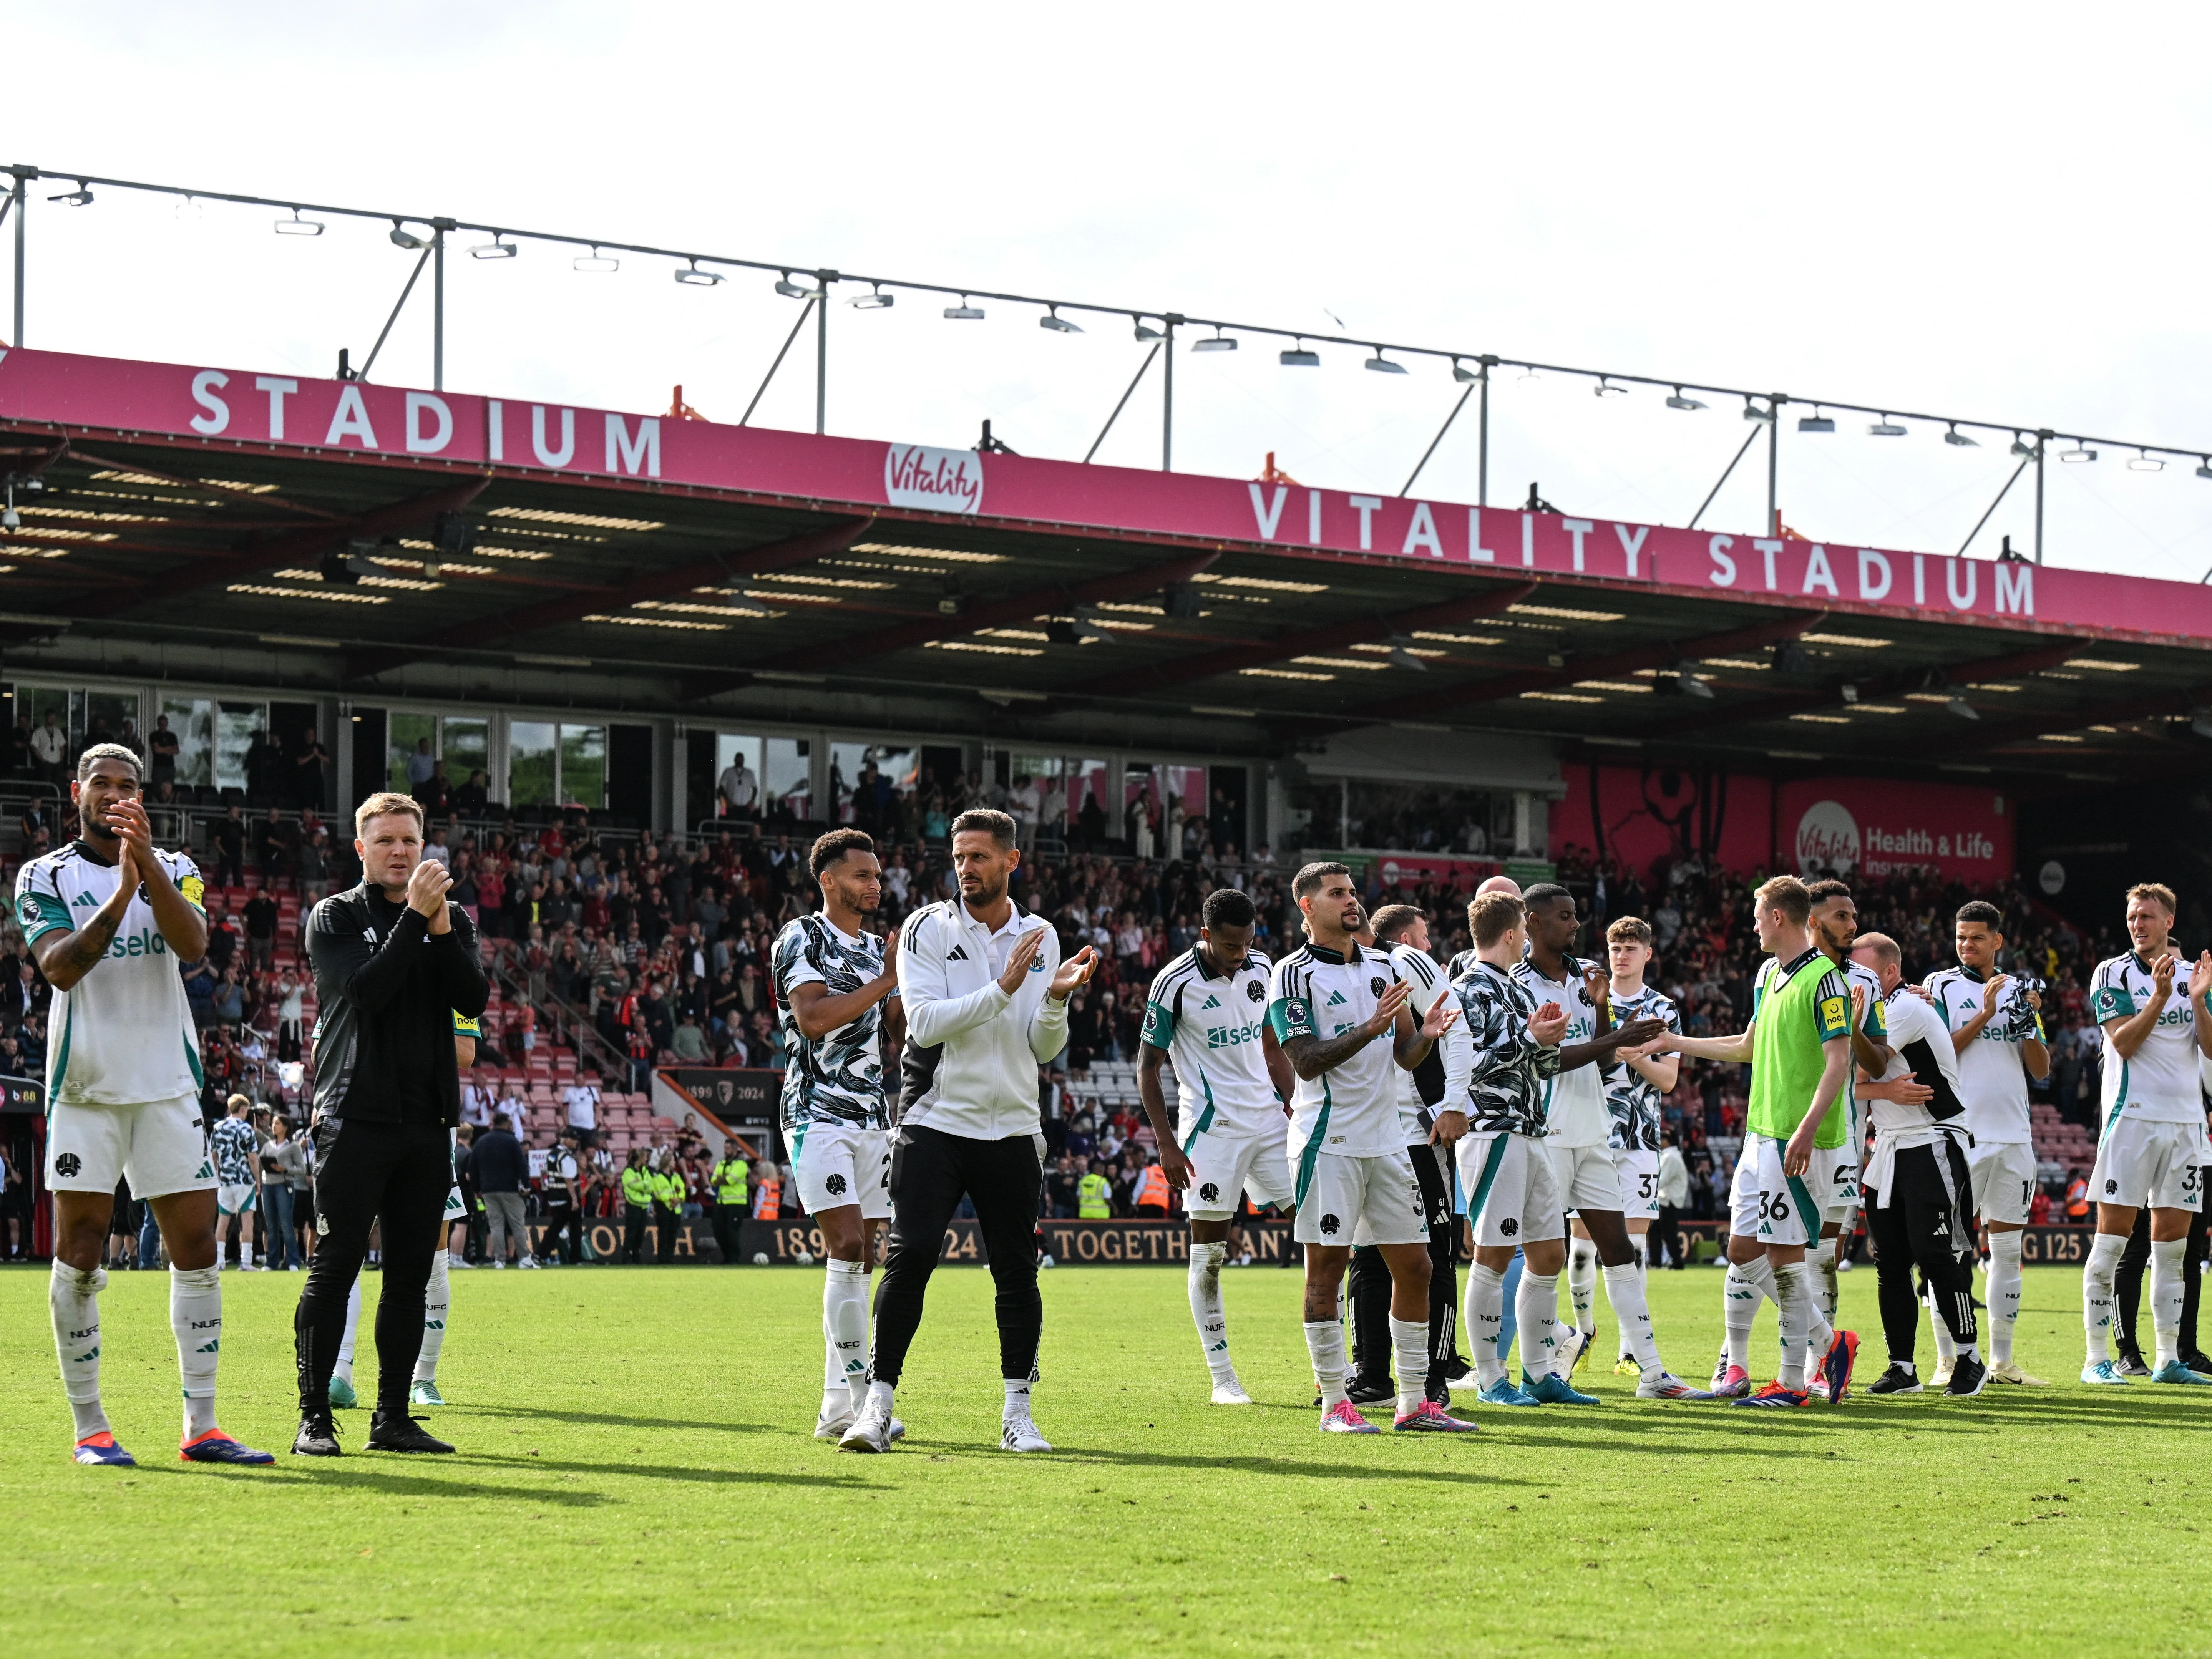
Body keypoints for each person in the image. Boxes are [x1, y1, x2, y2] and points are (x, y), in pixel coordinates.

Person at [15, 742, 271, 1466]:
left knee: (196, 1251)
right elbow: (61, 968)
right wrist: (122, 893)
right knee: (82, 1253)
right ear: (77, 792)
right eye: (103, 783)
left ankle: (203, 1425)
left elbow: (192, 947)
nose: (115, 794)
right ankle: (91, 1427)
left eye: (128, 785)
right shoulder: (44, 874)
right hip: (85, 1091)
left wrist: (148, 868)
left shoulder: (180, 867)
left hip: (167, 1088)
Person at [841, 809, 1095, 1455]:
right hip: (936, 1119)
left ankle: (1018, 1414)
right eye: (959, 856)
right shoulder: (927, 926)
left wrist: (1057, 999)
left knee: (1016, 1270)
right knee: (912, 1254)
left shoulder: (1041, 933)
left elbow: (1043, 1045)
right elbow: (923, 1024)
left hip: (1011, 1126)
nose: (966, 868)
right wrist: (1003, 985)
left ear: (1012, 861)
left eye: (980, 856)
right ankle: (876, 1406)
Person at [292, 791, 489, 1457]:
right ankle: (314, 1416)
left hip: (427, 1121)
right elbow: (370, 991)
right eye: (385, 841)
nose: (400, 851)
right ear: (360, 848)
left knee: (409, 1275)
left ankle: (392, 1417)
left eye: (410, 840)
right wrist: (416, 916)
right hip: (353, 1115)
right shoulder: (335, 915)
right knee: (336, 1265)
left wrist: (436, 926)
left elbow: (473, 998)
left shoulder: (451, 919)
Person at [1267, 861, 1470, 1435]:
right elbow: (1303, 1059)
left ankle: (1412, 1401)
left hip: (1387, 1140)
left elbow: (1403, 1053)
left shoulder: (1383, 964)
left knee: (1417, 1264)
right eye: (1336, 894)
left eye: (1353, 891)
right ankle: (1336, 1402)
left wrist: (1423, 1036)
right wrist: (1373, 1027)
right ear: (1308, 906)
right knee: (1326, 1269)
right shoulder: (1292, 974)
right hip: (1326, 1140)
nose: (1351, 901)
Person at [1651, 875, 1862, 1408]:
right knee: (1743, 1250)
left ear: (1778, 918)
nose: (1751, 925)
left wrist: (1809, 1129)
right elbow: (1748, 1045)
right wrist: (1674, 1042)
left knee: (1785, 1254)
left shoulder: (1826, 981)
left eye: (1757, 915)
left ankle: (1792, 1382)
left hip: (1796, 1136)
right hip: (1760, 1134)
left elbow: (1839, 1061)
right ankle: (1828, 1343)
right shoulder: (1768, 974)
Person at [1512, 887, 1691, 1398]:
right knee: (1547, 1257)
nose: (1575, 924)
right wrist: (1614, 1036)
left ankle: (1651, 1372)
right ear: (1533, 923)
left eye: (1575, 915)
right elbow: (1548, 1058)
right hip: (1546, 1131)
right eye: (1564, 917)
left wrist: (1604, 1010)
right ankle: (1540, 1371)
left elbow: (1606, 1059)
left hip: (1595, 1131)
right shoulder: (1519, 984)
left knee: (1619, 1250)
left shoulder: (1587, 977)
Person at [1134, 886, 1297, 1405]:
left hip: (1270, 1123)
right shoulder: (1173, 982)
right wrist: (1165, 1142)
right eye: (1230, 945)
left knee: (1325, 1229)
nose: (1240, 953)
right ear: (1206, 936)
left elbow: (1272, 1043)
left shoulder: (1261, 966)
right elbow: (1147, 1067)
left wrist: (1293, 1100)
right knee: (1207, 1257)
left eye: (1248, 942)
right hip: (1211, 1132)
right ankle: (1223, 1377)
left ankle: (1336, 1366)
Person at [772, 829, 908, 1439]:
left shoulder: (881, 946)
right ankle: (864, 1403)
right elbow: (814, 1017)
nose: (873, 884)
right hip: (816, 1111)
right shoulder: (803, 936)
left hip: (872, 1116)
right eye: (860, 875)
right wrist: (887, 978)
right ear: (828, 880)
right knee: (848, 1244)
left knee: (860, 1261)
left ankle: (834, 1409)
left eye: (877, 875)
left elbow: (897, 1027)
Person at [2078, 884, 2212, 1387]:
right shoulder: (2110, 973)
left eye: (2148, 917)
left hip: (2184, 1127)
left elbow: (2211, 1049)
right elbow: (2123, 1043)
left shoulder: (2195, 976)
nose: (2138, 924)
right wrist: (2159, 997)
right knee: (2110, 1244)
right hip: (2130, 1123)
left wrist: (2197, 1001)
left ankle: (2167, 1359)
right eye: (2133, 916)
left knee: (2175, 1252)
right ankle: (2096, 1359)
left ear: (2169, 922)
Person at [1922, 900, 2053, 1386]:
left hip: (2015, 1134)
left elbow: (2040, 1069)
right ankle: (1948, 1359)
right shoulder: (1939, 985)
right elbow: (1938, 1055)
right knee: (1950, 1252)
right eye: (1961, 937)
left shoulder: (2022, 988)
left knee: (2008, 1252)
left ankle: (2001, 1361)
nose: (1967, 945)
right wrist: (1986, 1013)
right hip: (1962, 1134)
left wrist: (2030, 1022)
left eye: (1977, 937)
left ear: (1998, 941)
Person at [1849, 931, 1984, 1395]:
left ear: (1890, 972)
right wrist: (1883, 1091)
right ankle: (1902, 1367)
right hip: (1888, 1146)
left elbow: (1860, 1067)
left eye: (1864, 971)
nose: (1855, 979)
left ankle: (1970, 1358)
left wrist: (1850, 1033)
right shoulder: (1876, 1011)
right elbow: (1857, 1080)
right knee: (1890, 1263)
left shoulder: (1902, 1008)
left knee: (1935, 1255)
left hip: (1933, 1139)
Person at [1453, 891, 1573, 1407]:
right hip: (1490, 1131)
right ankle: (1488, 1377)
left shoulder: (1519, 991)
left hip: (1531, 1130)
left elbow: (1541, 1067)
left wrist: (1549, 1041)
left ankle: (1540, 1372)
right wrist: (1530, 1039)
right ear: (1511, 933)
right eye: (1524, 931)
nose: (1528, 938)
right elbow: (1466, 1066)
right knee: (1494, 1254)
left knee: (1550, 1252)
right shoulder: (1465, 990)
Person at [1354, 904, 1475, 1407]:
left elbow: (1459, 1028)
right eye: (1426, 937)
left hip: (1415, 1132)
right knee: (1366, 1257)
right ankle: (1372, 1379)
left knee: (1433, 1255)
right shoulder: (1318, 970)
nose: (1431, 946)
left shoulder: (1405, 959)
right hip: (1360, 1135)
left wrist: (1452, 1105)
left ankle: (1433, 1377)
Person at [1591, 916, 1707, 1393]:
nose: (1621, 955)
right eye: (1615, 946)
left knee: (1632, 1249)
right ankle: (1583, 1336)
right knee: (1583, 1251)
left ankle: (1631, 1351)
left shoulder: (1662, 1009)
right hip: (1591, 1136)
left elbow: (1668, 1080)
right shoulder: (1590, 999)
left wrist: (1633, 1054)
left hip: (1639, 1139)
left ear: (1647, 954)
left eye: (1631, 947)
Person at [473, 1112, 531, 1268]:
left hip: (488, 1190)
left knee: (496, 1225)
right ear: (505, 1124)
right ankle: (525, 1259)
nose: (512, 1127)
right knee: (517, 1224)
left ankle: (499, 1260)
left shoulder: (482, 1141)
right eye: (510, 1124)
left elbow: (473, 1167)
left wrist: (477, 1189)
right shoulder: (512, 1141)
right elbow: (522, 1166)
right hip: (509, 1189)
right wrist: (526, 1186)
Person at [211, 1095, 262, 1269]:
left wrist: (217, 1179)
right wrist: (258, 1180)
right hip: (244, 1179)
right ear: (242, 1109)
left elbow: (214, 1156)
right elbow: (253, 1159)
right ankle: (246, 1262)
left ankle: (219, 1261)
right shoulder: (246, 1129)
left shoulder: (218, 1127)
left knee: (223, 1221)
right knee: (247, 1222)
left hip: (225, 1181)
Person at [260, 1117, 307, 1271]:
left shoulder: (293, 1146)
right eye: (273, 1124)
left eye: (277, 1124)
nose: (274, 1126)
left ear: (286, 1127)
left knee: (287, 1224)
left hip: (283, 1185)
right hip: (267, 1186)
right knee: (271, 1225)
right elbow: (261, 1162)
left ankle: (293, 1261)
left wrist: (286, 1170)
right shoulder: (268, 1145)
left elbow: (302, 1170)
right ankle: (272, 1262)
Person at [710, 1143, 751, 1263]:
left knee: (732, 1231)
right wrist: (722, 1179)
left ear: (734, 1149)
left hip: (737, 1203)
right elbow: (714, 1180)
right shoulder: (721, 1163)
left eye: (728, 1149)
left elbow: (730, 1180)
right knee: (718, 1229)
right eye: (725, 1148)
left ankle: (733, 1258)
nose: (726, 1151)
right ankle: (727, 1255)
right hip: (722, 1202)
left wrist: (722, 1179)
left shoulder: (741, 1164)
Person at [619, 1149, 654, 1263]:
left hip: (644, 1206)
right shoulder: (628, 1171)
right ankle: (627, 1257)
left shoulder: (645, 1170)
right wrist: (644, 1185)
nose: (647, 1159)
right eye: (645, 1157)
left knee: (641, 1232)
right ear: (640, 1158)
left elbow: (651, 1184)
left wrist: (641, 1184)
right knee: (631, 1232)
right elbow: (632, 1186)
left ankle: (636, 1255)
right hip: (633, 1205)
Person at [718, 753, 760, 818]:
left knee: (745, 825)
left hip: (746, 806)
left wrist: (752, 801)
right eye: (738, 759)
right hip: (732, 805)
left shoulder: (749, 773)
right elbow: (721, 788)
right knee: (733, 825)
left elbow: (755, 789)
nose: (740, 761)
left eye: (741, 760)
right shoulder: (728, 772)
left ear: (744, 760)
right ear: (735, 760)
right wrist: (728, 801)